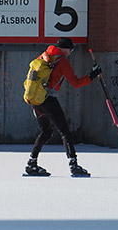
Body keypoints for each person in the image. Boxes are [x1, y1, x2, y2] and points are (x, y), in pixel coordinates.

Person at [22, 37, 101, 177]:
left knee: (46, 131)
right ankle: (74, 165)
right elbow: (76, 83)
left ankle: (31, 164)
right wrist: (93, 75)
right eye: (70, 50)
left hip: (35, 99)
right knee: (65, 132)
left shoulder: (44, 55)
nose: (70, 53)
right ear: (65, 49)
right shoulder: (62, 61)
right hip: (48, 99)